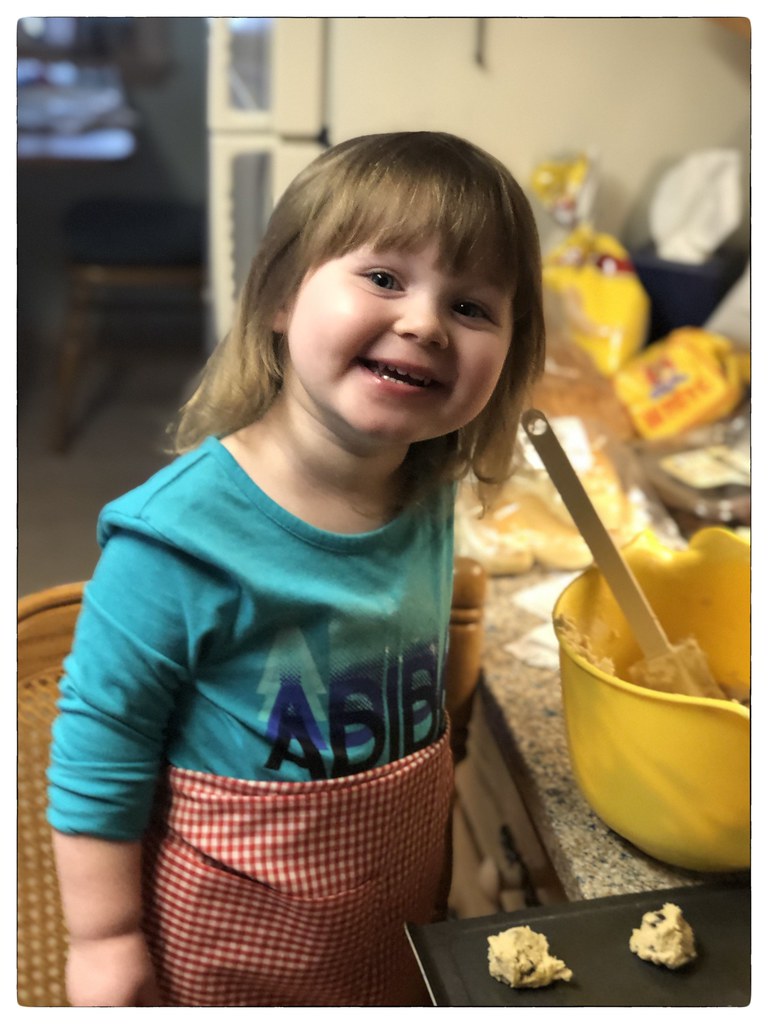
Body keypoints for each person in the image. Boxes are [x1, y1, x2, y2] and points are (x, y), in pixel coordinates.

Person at [47, 131, 546, 1007]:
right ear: (280, 297)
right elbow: (101, 739)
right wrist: (105, 936)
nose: (425, 322)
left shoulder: (429, 489)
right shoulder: (176, 540)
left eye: (472, 306)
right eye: (385, 278)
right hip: (232, 962)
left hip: (389, 928)